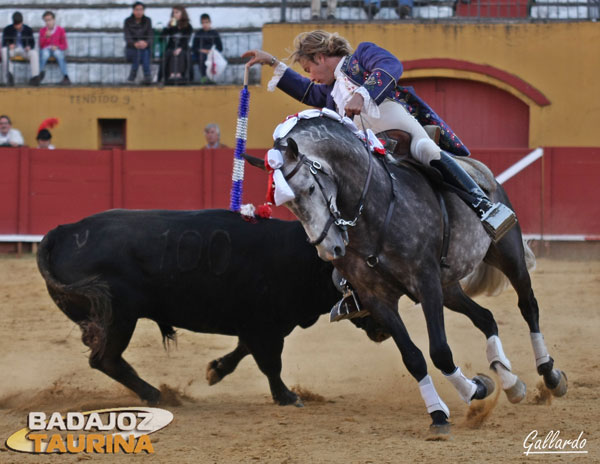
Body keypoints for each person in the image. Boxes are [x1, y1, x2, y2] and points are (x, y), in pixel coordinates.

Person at [242, 30, 516, 242]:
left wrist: (363, 94)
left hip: (399, 128)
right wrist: (273, 63)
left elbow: (390, 65)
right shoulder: (330, 91)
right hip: (370, 149)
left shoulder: (361, 57)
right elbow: (308, 92)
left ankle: (484, 207)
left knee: (428, 151)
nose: (310, 76)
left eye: (308, 69)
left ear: (321, 57)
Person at [1, 12, 40, 86]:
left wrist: (29, 47)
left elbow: (32, 43)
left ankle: (35, 77)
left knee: (34, 53)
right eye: (16, 25)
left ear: (22, 22)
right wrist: (9, 46)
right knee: (4, 51)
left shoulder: (28, 29)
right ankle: (9, 77)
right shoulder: (7, 29)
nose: (18, 26)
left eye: (19, 24)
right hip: (13, 50)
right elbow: (4, 43)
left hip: (24, 50)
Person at [161, 6, 192, 83]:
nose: (175, 14)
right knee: (171, 53)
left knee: (180, 53)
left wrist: (180, 48)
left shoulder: (188, 26)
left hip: (183, 48)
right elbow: (162, 36)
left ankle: (178, 74)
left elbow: (186, 40)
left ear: (182, 13)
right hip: (171, 47)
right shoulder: (172, 25)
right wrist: (168, 27)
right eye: (173, 13)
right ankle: (171, 74)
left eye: (177, 12)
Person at [124, 1, 153, 84]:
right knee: (139, 52)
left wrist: (145, 43)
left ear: (143, 11)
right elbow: (127, 36)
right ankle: (147, 75)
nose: (139, 12)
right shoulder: (128, 21)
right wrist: (135, 44)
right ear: (133, 11)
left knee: (143, 51)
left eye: (141, 10)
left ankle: (132, 76)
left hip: (145, 48)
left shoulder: (147, 20)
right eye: (137, 9)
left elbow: (150, 35)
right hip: (131, 49)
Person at [39, 11, 70, 85]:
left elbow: (64, 45)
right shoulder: (42, 31)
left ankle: (66, 76)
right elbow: (41, 46)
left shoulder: (60, 30)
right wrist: (46, 37)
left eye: (49, 20)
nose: (48, 22)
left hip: (57, 49)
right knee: (44, 54)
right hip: (46, 50)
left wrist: (57, 46)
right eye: (46, 20)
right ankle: (41, 73)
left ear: (54, 20)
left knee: (58, 54)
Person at [191, 13, 223, 84]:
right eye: (203, 23)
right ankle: (204, 77)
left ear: (210, 22)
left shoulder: (214, 33)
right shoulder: (198, 34)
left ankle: (212, 78)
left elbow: (220, 47)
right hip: (200, 54)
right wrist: (201, 50)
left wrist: (211, 51)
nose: (205, 24)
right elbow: (194, 47)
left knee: (212, 58)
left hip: (212, 54)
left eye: (206, 22)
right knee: (202, 57)